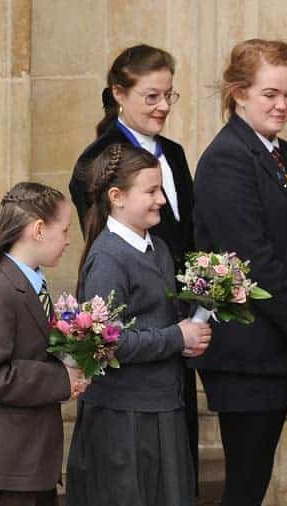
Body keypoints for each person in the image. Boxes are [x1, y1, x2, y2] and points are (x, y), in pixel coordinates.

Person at [189, 39, 287, 506]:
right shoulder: (226, 159)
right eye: (270, 94)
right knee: (246, 484)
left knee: (253, 482)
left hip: (277, 342)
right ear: (239, 93)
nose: (283, 105)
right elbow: (251, 257)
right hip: (244, 349)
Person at [68, 43, 202, 479]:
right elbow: (115, 238)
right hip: (140, 342)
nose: (163, 106)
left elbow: (186, 235)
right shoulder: (100, 161)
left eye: (169, 95)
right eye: (151, 96)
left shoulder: (175, 153)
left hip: (174, 329)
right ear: (119, 94)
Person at [66, 144, 212, 505]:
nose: (161, 199)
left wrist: (193, 327)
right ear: (117, 197)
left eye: (160, 189)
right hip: (124, 418)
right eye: (150, 191)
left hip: (162, 407)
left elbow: (159, 318)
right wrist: (177, 337)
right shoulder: (107, 258)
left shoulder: (158, 247)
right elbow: (106, 343)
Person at [0, 182, 89, 506]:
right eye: (65, 229)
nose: (69, 240)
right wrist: (62, 380)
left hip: (29, 465)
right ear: (39, 230)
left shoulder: (31, 283)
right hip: (4, 471)